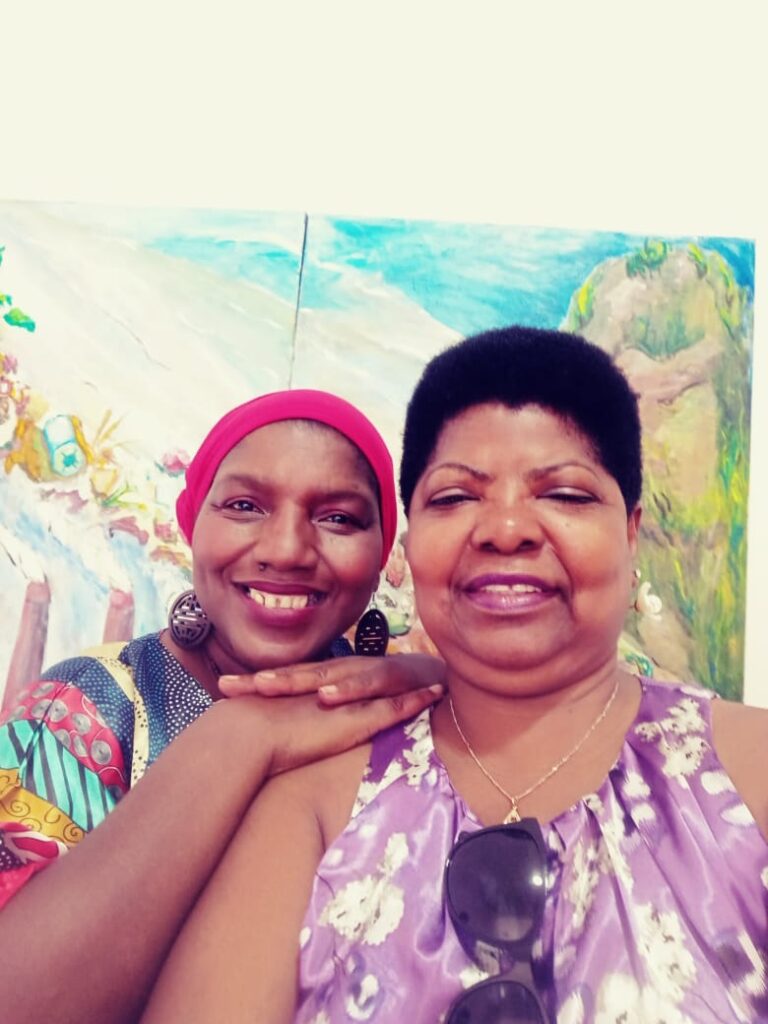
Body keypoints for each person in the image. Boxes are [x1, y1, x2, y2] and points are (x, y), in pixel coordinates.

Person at [143, 327, 768, 1024]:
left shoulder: (750, 772)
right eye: (454, 498)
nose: (506, 529)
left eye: (564, 494)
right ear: (410, 541)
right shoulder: (313, 804)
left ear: (629, 530)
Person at [0, 388, 445, 1024]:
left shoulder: (405, 720)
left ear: (380, 557)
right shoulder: (85, 710)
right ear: (192, 525)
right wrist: (247, 733)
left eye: (338, 518)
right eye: (243, 506)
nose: (286, 549)